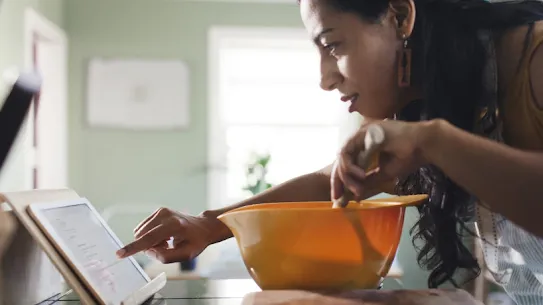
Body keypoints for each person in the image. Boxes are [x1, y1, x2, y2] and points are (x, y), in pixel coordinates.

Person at [117, 0, 543, 302]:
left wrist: (435, 141)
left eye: (334, 45)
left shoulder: (534, 59)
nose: (324, 78)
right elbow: (332, 181)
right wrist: (211, 225)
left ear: (399, 14)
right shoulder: (425, 99)